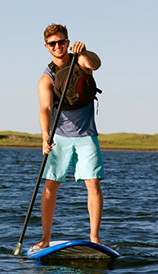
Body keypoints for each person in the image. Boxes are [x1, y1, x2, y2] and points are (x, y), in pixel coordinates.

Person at [34, 24, 104, 249]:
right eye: (53, 43)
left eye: (61, 42)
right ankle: (45, 238)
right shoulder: (46, 78)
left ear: (67, 42)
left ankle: (94, 237)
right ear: (47, 47)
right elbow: (45, 109)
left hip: (86, 135)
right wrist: (45, 136)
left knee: (93, 183)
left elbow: (96, 64)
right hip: (59, 137)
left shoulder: (80, 61)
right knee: (50, 185)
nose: (58, 46)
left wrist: (84, 51)